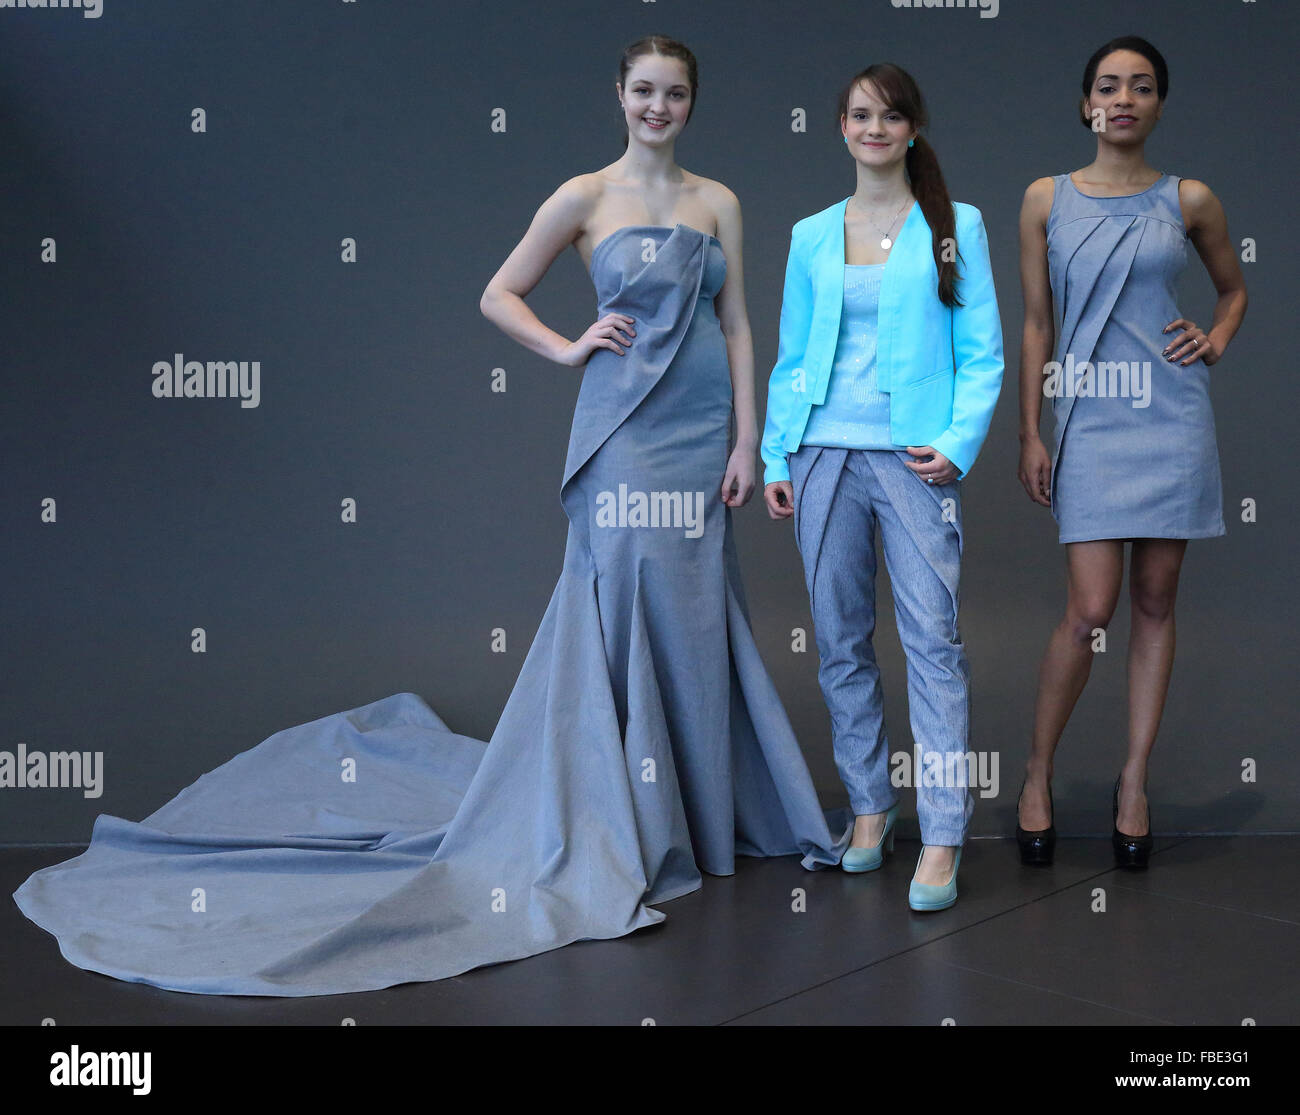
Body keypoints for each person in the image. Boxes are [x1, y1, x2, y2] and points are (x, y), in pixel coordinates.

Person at [12, 35, 850, 997]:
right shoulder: (582, 196)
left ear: (693, 103)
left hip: (702, 432)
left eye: (677, 95)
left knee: (699, 613)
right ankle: (631, 822)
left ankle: (699, 819)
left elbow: (740, 324)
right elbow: (498, 293)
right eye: (645, 93)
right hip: (622, 429)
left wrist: (751, 443)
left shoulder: (719, 201)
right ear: (619, 95)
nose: (660, 108)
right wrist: (570, 347)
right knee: (621, 602)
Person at [762, 64, 1003, 912]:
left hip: (913, 460)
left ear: (911, 128)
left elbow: (983, 353)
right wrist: (774, 456)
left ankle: (942, 833)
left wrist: (957, 443)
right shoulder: (809, 234)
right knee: (839, 640)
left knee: (932, 642)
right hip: (822, 452)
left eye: (891, 114)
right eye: (861, 114)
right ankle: (870, 807)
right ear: (841, 126)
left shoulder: (954, 224)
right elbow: (792, 358)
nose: (875, 126)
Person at [1014, 36, 1247, 868]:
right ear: (1086, 103)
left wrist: (1215, 338)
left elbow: (1233, 288)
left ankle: (1134, 781)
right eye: (1108, 86)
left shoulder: (1190, 199)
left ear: (1157, 105)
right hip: (1089, 421)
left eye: (1141, 87)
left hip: (1169, 419)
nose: (1123, 98)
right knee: (1091, 609)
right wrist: (1032, 430)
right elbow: (1037, 323)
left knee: (1156, 599)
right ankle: (1037, 773)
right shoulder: (1046, 198)